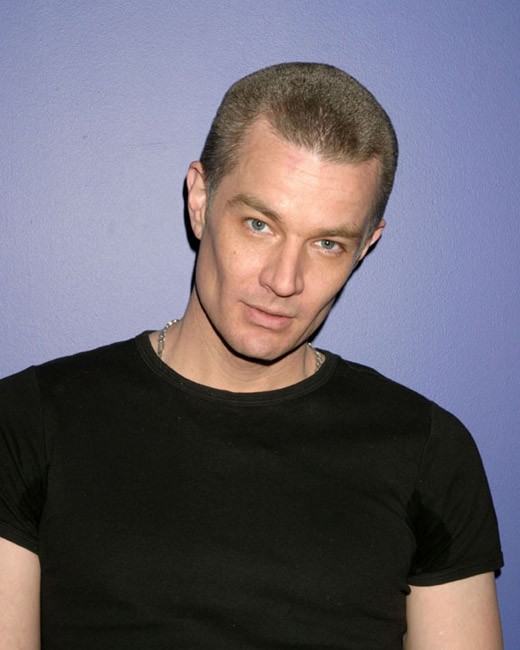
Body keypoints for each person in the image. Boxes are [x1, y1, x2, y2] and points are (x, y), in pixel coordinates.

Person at [0, 63, 503, 649]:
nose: (284, 280)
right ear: (200, 199)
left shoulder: (427, 450)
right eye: (259, 224)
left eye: (327, 243)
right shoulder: (30, 421)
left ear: (366, 246)